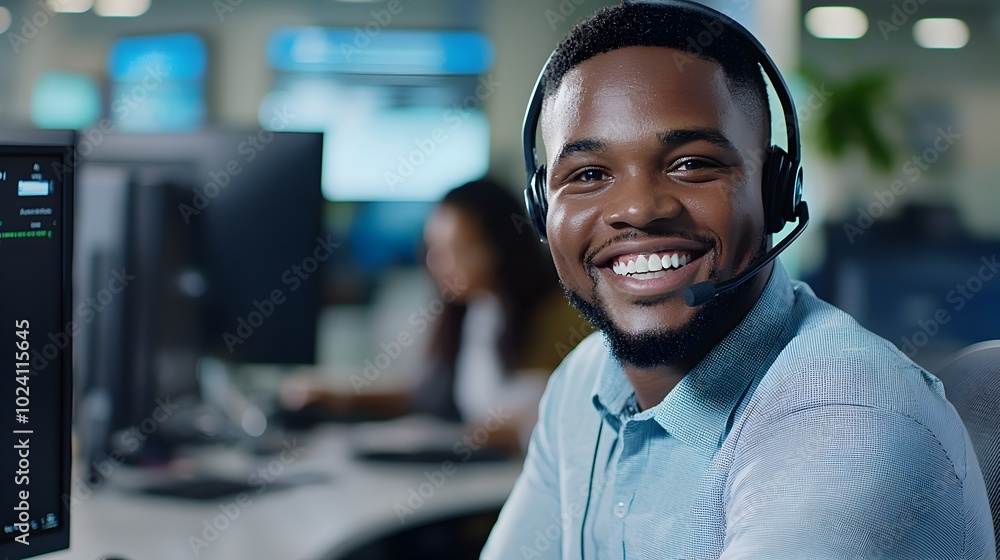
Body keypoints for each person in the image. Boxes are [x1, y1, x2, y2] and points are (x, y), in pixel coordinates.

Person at [482, 2, 995, 558]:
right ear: (542, 210)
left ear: (775, 194)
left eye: (692, 164)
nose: (638, 208)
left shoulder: (846, 429)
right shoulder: (585, 384)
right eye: (588, 175)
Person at [284, 179, 588, 452]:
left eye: (455, 250)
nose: (437, 264)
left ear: (498, 248)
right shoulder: (471, 309)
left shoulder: (559, 318)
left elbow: (543, 421)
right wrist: (343, 398)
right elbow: (429, 393)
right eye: (434, 250)